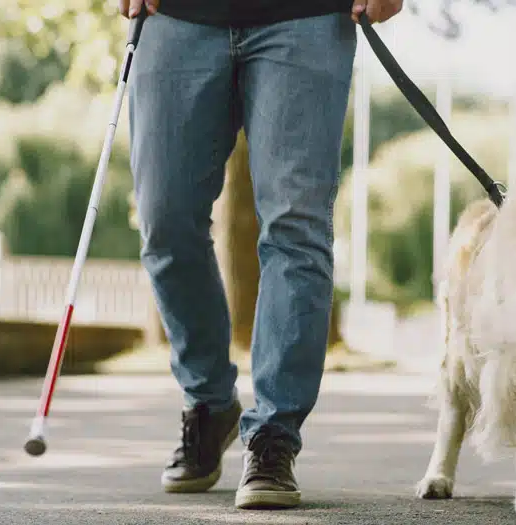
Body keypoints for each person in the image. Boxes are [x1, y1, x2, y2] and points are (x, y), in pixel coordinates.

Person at [118, 0, 403, 511]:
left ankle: (274, 433)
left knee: (297, 226)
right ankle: (209, 403)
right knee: (165, 221)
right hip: (177, 16)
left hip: (307, 16)